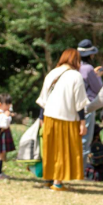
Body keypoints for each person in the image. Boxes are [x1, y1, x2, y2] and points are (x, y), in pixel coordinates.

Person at [36, 48, 89, 191]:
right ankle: (57, 183)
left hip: (48, 116)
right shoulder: (75, 76)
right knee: (62, 150)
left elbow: (43, 99)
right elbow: (80, 103)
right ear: (75, 60)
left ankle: (49, 178)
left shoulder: (52, 73)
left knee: (50, 149)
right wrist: (82, 122)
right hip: (66, 118)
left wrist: (41, 118)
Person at [77, 39, 103, 170]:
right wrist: (98, 76)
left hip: (74, 107)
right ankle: (80, 171)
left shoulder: (76, 67)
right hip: (87, 107)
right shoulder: (88, 68)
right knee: (84, 140)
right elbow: (99, 88)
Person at [0, 93, 15, 180]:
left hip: (1, 136)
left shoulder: (0, 113)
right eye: (7, 104)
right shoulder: (0, 114)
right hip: (2, 136)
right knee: (1, 156)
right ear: (0, 104)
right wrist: (7, 116)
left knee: (0, 155)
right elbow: (4, 125)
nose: (9, 106)